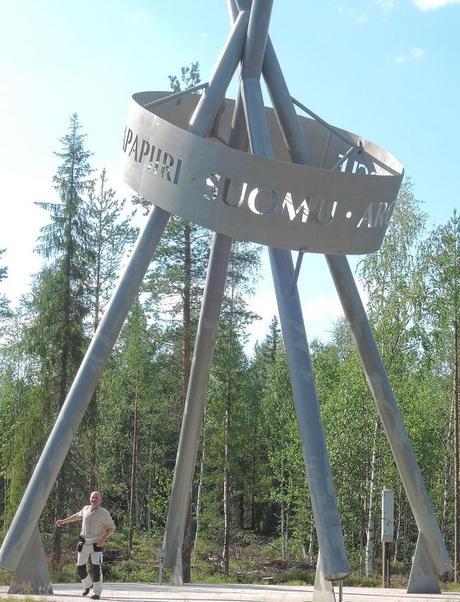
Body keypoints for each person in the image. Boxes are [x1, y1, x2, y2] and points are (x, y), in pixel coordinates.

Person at [55, 491, 115, 599]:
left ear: (100, 500)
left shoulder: (104, 513)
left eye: (96, 498)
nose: (94, 499)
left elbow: (112, 528)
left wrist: (103, 539)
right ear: (89, 498)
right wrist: (63, 521)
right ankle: (88, 585)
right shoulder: (85, 509)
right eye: (92, 497)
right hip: (83, 543)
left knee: (96, 568)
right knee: (80, 568)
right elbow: (77, 516)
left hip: (96, 544)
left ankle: (97, 592)